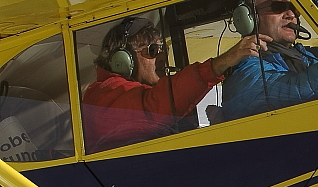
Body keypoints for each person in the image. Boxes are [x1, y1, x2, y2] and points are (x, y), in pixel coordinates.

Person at [82, 17, 259, 152]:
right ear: (123, 60)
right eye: (152, 51)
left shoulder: (140, 92)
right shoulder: (104, 94)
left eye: (163, 50)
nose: (162, 58)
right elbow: (152, 108)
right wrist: (220, 63)